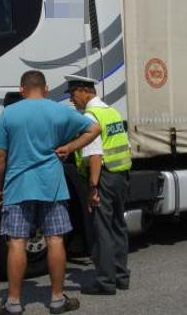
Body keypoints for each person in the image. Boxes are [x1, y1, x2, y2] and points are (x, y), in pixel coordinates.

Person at [0, 70, 102, 315]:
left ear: (22, 90)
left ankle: (14, 303)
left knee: (17, 242)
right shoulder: (59, 111)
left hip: (18, 186)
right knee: (55, 240)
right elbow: (94, 129)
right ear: (46, 88)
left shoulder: (9, 114)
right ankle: (58, 300)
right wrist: (69, 147)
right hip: (53, 186)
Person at [64, 75, 132, 296]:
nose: (72, 100)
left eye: (73, 95)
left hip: (101, 178)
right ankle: (121, 277)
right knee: (118, 227)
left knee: (101, 230)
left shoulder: (91, 116)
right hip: (120, 176)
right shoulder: (111, 112)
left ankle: (105, 282)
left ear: (86, 91)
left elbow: (94, 155)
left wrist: (92, 188)